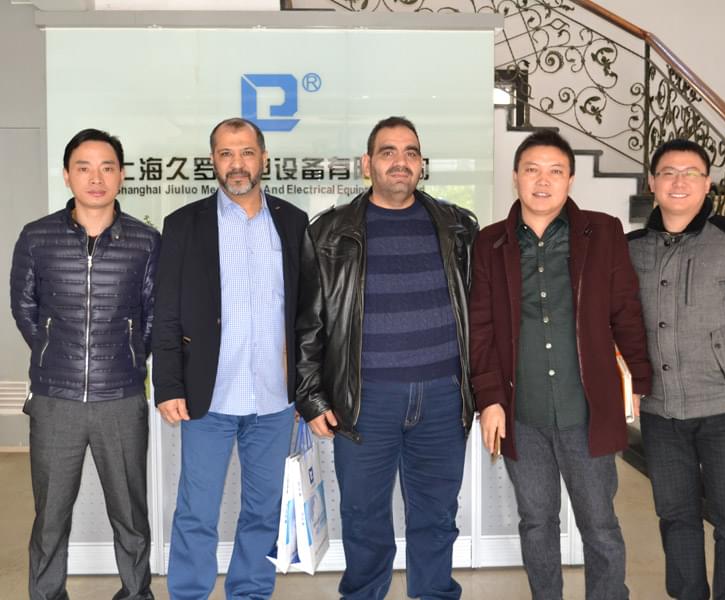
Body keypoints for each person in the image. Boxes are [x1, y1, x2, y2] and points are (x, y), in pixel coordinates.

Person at [295, 116, 478, 599]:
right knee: (363, 517)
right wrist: (312, 397)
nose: (401, 162)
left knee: (437, 514)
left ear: (422, 164)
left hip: (442, 398)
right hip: (365, 400)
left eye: (411, 152)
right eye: (388, 152)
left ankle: (434, 593)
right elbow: (309, 322)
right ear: (367, 164)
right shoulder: (330, 232)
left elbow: (478, 313)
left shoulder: (458, 227)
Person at [469, 130, 652, 600]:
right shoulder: (490, 243)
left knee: (600, 524)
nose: (543, 181)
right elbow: (481, 329)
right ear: (516, 177)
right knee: (536, 522)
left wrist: (637, 378)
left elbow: (625, 311)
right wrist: (489, 399)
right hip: (521, 413)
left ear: (570, 179)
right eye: (532, 170)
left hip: (586, 410)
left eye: (555, 171)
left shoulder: (603, 232)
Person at [152, 117, 307, 599]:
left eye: (246, 152)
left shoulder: (293, 221)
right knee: (197, 511)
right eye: (225, 154)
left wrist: (306, 387)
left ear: (263, 158)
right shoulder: (184, 224)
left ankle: (250, 592)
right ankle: (189, 593)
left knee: (263, 510)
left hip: (274, 398)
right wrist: (168, 385)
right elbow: (165, 312)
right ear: (213, 161)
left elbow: (306, 313)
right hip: (208, 396)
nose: (236, 164)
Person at [10, 128, 160, 600]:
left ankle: (135, 593)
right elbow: (24, 307)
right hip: (55, 398)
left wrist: (129, 356)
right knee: (50, 515)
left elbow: (154, 315)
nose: (96, 178)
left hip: (122, 397)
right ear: (66, 175)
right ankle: (47, 594)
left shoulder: (145, 241)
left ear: (121, 175)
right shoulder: (37, 237)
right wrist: (54, 351)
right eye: (84, 167)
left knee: (130, 513)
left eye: (106, 167)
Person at [627, 138, 725, 600]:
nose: (679, 181)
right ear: (652, 183)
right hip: (660, 410)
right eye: (668, 172)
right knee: (676, 517)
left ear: (707, 183)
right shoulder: (631, 248)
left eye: (690, 173)